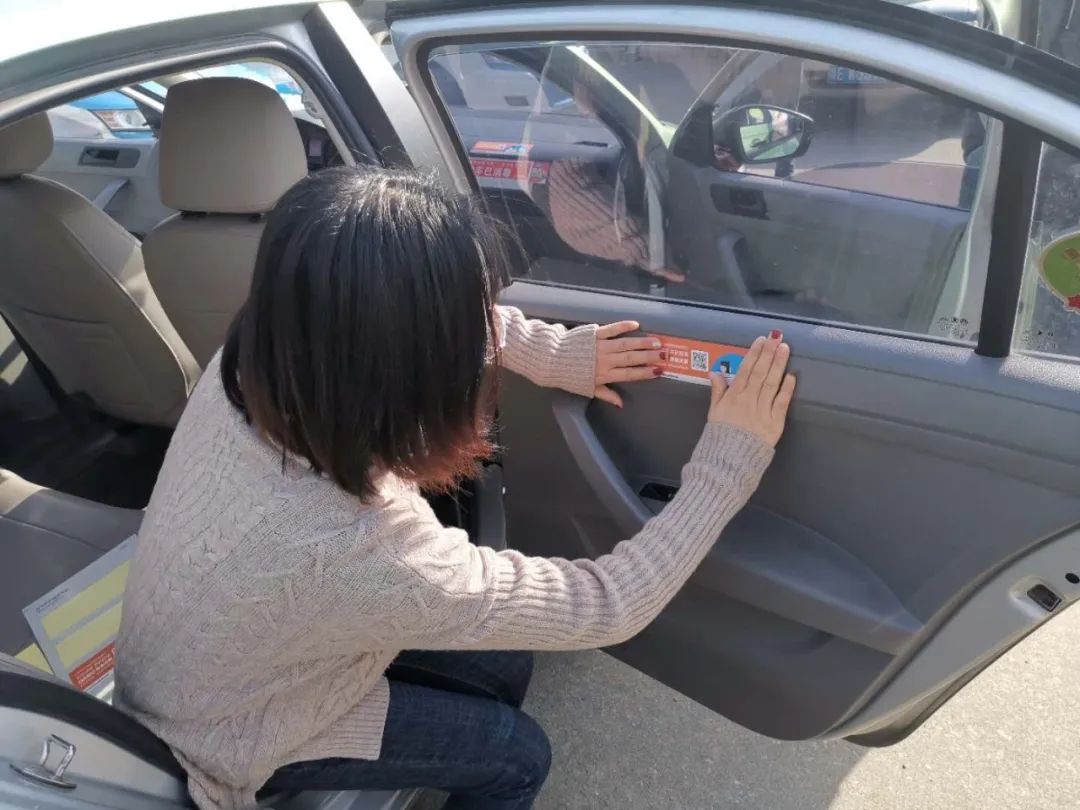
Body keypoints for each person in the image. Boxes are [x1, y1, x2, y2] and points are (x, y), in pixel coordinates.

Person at [115, 166, 795, 810]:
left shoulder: (260, 359)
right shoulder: (352, 551)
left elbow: (404, 321)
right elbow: (608, 603)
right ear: (413, 372)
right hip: (237, 730)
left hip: (214, 649)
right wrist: (725, 466)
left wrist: (551, 353)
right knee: (518, 754)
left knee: (504, 671)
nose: (483, 327)